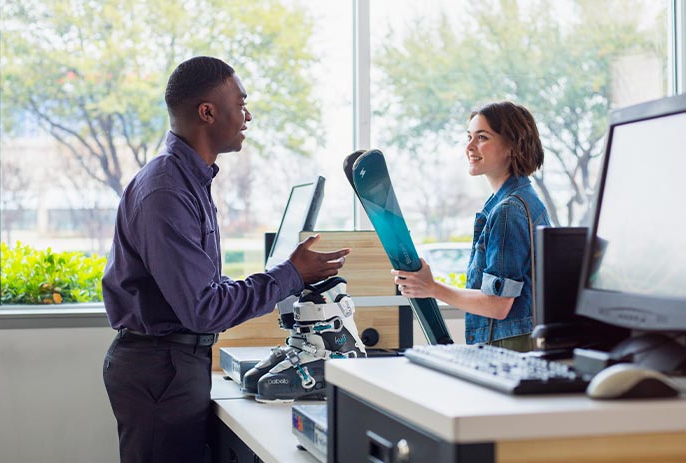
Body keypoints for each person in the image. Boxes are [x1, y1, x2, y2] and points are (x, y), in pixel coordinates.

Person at [101, 56, 350, 463]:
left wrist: (286, 276)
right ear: (207, 112)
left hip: (172, 362)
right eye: (241, 103)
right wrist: (291, 274)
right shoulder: (167, 191)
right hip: (162, 368)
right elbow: (204, 307)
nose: (247, 115)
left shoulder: (188, 179)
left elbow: (202, 291)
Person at [392, 101, 550, 351]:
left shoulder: (509, 211)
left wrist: (431, 288)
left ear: (512, 145)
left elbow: (497, 305)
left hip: (510, 349)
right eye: (469, 137)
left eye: (482, 137)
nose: (469, 147)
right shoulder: (520, 201)